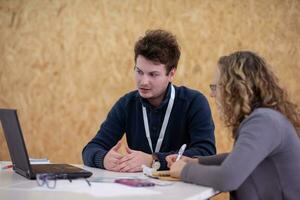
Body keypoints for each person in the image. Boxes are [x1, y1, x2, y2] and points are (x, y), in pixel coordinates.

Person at [167, 51, 300, 200]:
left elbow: (228, 177)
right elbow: (239, 159)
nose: (212, 94)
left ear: (235, 88)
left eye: (215, 87)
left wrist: (185, 170)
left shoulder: (263, 122)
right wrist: (197, 161)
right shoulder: (267, 119)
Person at [82, 29, 216, 172]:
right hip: (145, 191)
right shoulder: (127, 104)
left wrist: (154, 160)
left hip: (184, 189)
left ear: (171, 74)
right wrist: (103, 159)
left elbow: (206, 153)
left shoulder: (194, 102)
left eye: (153, 74)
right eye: (139, 72)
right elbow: (90, 149)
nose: (144, 82)